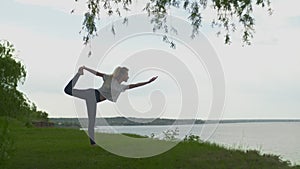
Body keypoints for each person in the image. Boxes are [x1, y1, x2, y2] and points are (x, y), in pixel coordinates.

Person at [64, 66, 158, 145]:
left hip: (94, 99)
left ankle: (93, 144)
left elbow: (136, 85)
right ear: (122, 75)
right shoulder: (109, 78)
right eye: (127, 75)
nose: (128, 77)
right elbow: (97, 73)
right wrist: (85, 68)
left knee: (92, 121)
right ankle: (79, 74)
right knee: (68, 91)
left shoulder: (122, 87)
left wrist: (148, 82)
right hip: (92, 94)